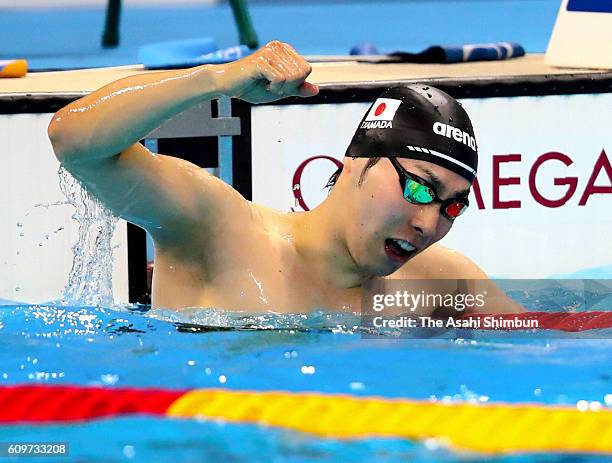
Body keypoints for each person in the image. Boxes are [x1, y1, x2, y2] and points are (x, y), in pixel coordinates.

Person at [48, 41, 523, 315]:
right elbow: (75, 141)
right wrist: (215, 81)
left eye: (453, 206)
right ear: (358, 163)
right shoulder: (219, 230)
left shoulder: (442, 280)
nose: (430, 224)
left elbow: (559, 342)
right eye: (420, 187)